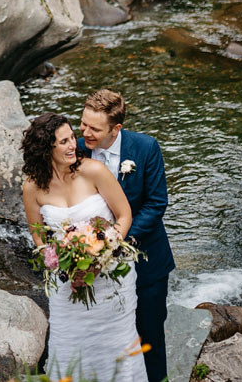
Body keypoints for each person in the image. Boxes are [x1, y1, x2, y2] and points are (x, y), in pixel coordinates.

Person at [21, 113, 148, 382]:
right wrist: (56, 261)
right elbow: (39, 238)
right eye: (64, 141)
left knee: (117, 348)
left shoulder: (93, 171)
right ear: (47, 148)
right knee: (69, 346)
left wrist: (102, 256)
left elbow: (124, 216)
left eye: (72, 138)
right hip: (67, 285)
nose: (73, 146)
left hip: (111, 278)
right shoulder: (32, 187)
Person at [77, 89, 173, 382]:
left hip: (147, 261)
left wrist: (118, 243)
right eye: (83, 123)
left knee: (149, 333)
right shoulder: (77, 150)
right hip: (93, 264)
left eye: (95, 128)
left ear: (116, 128)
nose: (85, 132)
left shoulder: (145, 148)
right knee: (104, 336)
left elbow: (157, 203)